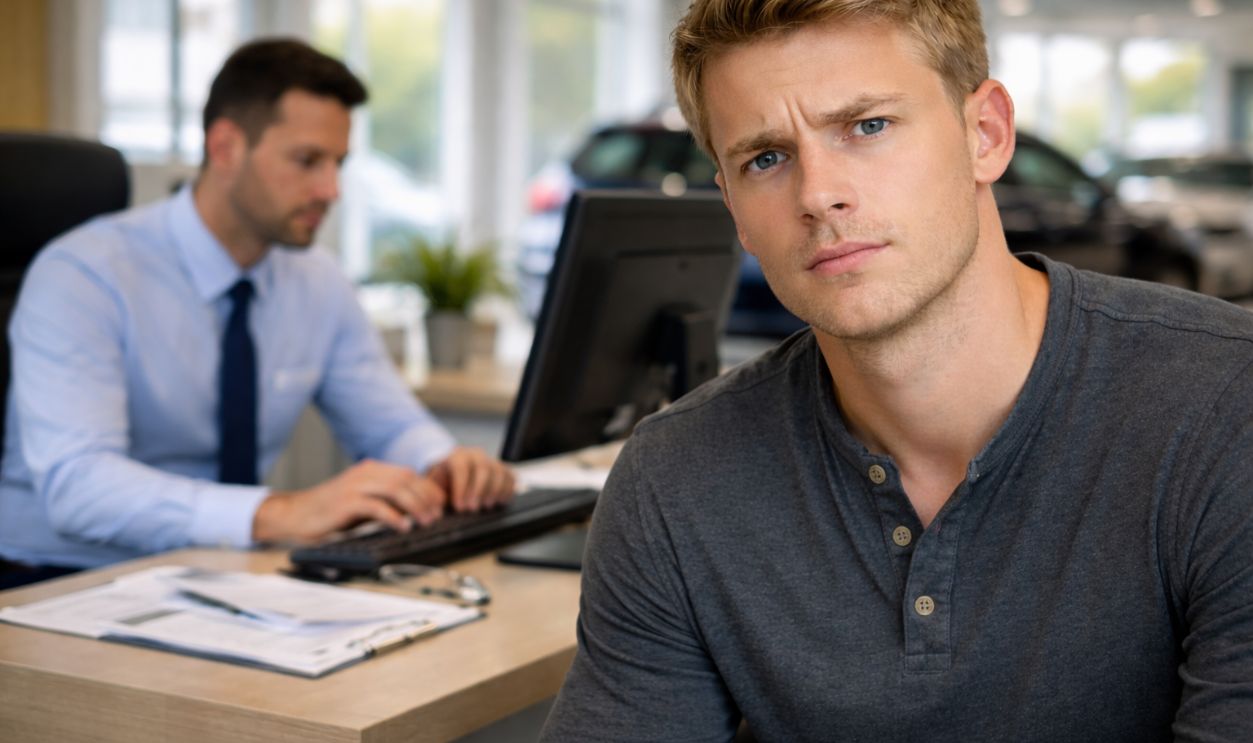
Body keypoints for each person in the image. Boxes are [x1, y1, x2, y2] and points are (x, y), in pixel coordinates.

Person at [541, 1, 1253, 741]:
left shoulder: (1227, 405)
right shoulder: (675, 479)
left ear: (985, 135)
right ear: (734, 210)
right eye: (766, 158)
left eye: (867, 126)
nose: (818, 194)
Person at [0, 39, 514, 587]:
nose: (331, 190)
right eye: (307, 160)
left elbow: (387, 422)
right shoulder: (85, 274)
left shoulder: (316, 279)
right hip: (59, 579)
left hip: (221, 572)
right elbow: (81, 489)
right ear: (225, 147)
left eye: (339, 164)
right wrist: (282, 513)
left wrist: (443, 462)